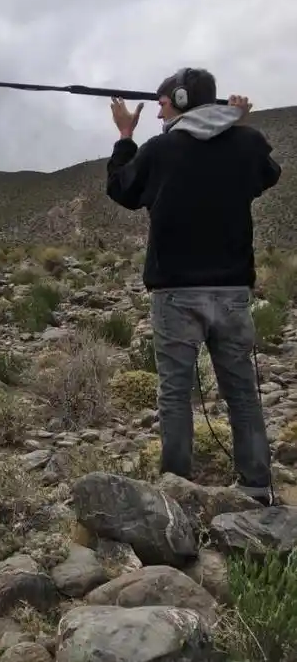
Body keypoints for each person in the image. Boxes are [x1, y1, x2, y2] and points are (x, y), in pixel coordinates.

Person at [105, 67, 281, 507]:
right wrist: (238, 124)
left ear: (180, 100)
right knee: (241, 391)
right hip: (233, 294)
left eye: (163, 101)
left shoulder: (159, 150)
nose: (159, 109)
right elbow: (267, 173)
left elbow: (120, 188)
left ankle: (175, 494)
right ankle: (257, 489)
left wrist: (126, 135)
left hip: (175, 295)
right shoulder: (248, 145)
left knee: (175, 394)